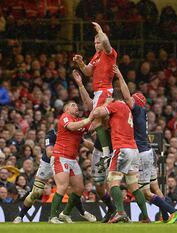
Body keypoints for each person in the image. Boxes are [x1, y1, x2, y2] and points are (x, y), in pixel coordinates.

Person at [114, 65, 177, 223]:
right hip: (148, 152)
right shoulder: (143, 112)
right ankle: (165, 217)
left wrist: (119, 76)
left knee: (145, 192)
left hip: (141, 154)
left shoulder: (136, 110)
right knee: (156, 187)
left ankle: (173, 211)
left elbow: (126, 95)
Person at [13, 126, 96, 223]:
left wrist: (99, 148)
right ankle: (20, 216)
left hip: (64, 162)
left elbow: (88, 144)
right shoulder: (51, 134)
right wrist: (64, 154)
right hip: (48, 163)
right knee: (36, 192)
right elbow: (49, 153)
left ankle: (80, 213)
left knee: (73, 190)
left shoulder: (72, 134)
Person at [92, 90, 149, 223]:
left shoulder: (116, 105)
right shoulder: (127, 109)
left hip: (122, 149)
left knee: (113, 182)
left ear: (113, 98)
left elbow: (96, 113)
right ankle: (146, 217)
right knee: (133, 186)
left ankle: (120, 212)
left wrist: (106, 103)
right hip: (133, 150)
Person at [72, 69, 116, 222]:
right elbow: (89, 105)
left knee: (114, 182)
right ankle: (112, 208)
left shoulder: (115, 108)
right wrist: (80, 85)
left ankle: (120, 213)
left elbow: (93, 123)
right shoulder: (99, 107)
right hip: (99, 151)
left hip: (116, 151)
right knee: (98, 186)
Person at [73, 22, 117, 160]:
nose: (97, 45)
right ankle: (105, 153)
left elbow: (106, 42)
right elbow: (87, 72)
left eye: (99, 42)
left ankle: (80, 132)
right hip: (98, 91)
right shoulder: (96, 56)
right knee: (100, 124)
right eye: (95, 43)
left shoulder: (110, 53)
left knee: (95, 122)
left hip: (104, 90)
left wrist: (100, 29)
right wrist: (80, 63)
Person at [48, 101, 94, 224]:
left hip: (73, 159)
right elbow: (72, 127)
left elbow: (92, 126)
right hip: (60, 156)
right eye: (73, 105)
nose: (76, 107)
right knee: (62, 186)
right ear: (66, 109)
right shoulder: (65, 117)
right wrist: (88, 119)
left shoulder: (79, 121)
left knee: (79, 188)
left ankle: (65, 214)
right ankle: (53, 217)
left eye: (77, 105)